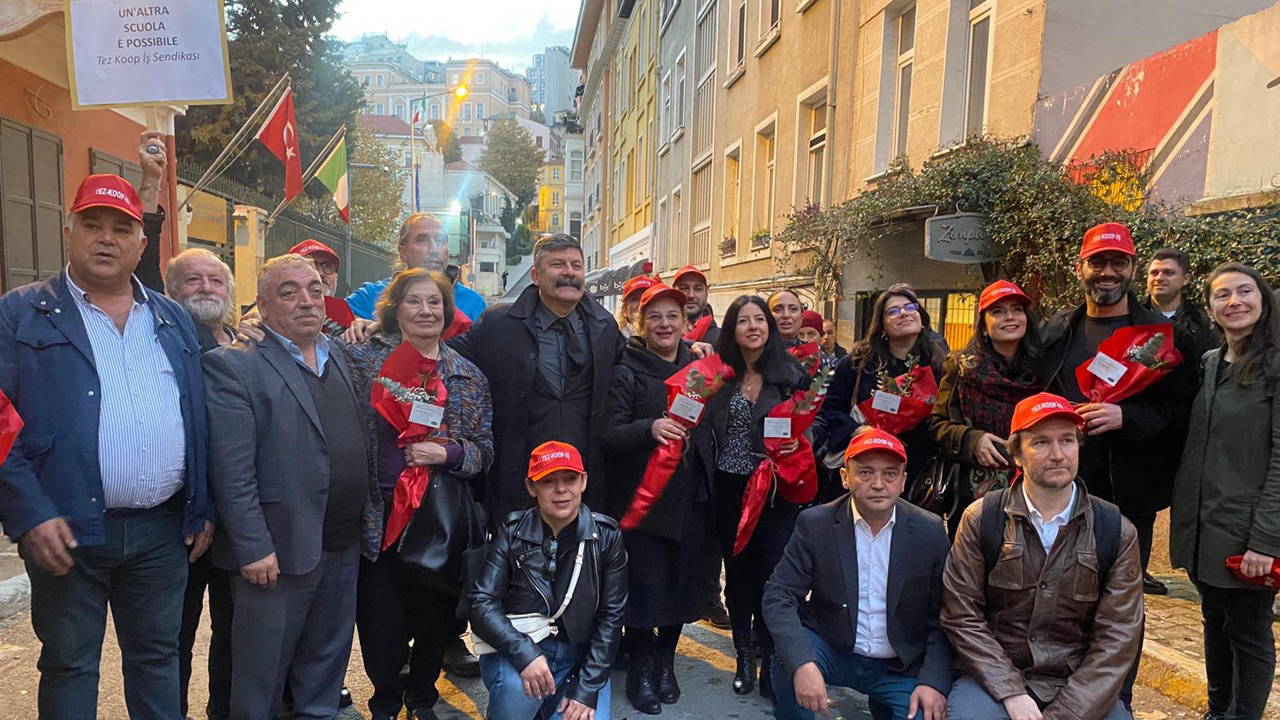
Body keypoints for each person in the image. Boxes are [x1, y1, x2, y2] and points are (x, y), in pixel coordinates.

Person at [0, 173, 213, 718]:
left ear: (141, 245)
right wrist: (29, 513)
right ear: (69, 233)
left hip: (161, 531)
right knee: (69, 664)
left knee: (158, 659)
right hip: (65, 528)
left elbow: (199, 415)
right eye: (92, 225)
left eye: (121, 229)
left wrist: (203, 503)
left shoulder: (172, 317)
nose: (105, 238)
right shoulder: (19, 313)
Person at [204, 255, 371, 720]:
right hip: (276, 554)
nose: (306, 301)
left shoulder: (340, 354)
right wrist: (253, 546)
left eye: (315, 290)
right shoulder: (234, 365)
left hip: (341, 546)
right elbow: (231, 470)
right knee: (260, 683)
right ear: (260, 305)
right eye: (289, 292)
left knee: (324, 675)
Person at [340, 268, 495, 720]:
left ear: (447, 312)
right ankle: (386, 699)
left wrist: (445, 453)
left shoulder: (467, 375)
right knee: (377, 620)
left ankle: (422, 699)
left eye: (434, 302)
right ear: (394, 309)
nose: (425, 310)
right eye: (414, 301)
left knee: (434, 617)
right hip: (377, 513)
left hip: (438, 519)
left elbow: (484, 452)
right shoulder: (362, 360)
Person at [942, 393, 1143, 720]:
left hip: (1079, 682)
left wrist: (1066, 713)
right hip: (994, 676)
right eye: (1040, 443)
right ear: (1017, 454)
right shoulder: (983, 519)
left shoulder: (1115, 530)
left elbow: (1118, 637)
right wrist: (1011, 691)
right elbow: (961, 615)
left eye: (1067, 441)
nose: (1057, 455)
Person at [1040, 222, 1197, 599]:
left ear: (1132, 267)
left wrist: (1126, 417)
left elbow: (1183, 410)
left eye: (1118, 262)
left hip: (1131, 495)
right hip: (1061, 490)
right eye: (1097, 262)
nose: (1107, 272)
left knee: (1121, 603)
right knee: (1058, 596)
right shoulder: (1057, 329)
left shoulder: (1164, 337)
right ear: (1080, 268)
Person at [764, 427, 951, 720]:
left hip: (899, 664)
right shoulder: (816, 524)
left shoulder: (929, 532)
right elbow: (780, 595)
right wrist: (803, 662)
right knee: (789, 662)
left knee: (928, 711)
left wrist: (933, 681)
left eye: (890, 474)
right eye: (865, 473)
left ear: (903, 480)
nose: (878, 484)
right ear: (845, 477)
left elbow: (944, 615)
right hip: (833, 647)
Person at [450, 233, 626, 524]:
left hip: (582, 479)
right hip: (519, 477)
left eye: (576, 265)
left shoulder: (604, 325)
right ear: (536, 275)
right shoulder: (499, 324)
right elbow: (445, 355)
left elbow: (634, 365)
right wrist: (390, 330)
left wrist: (689, 349)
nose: (569, 272)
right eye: (558, 264)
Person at [602, 284, 720, 714]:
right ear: (639, 321)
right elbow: (609, 434)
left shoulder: (701, 367)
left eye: (673, 316)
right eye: (655, 316)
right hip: (644, 502)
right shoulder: (626, 369)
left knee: (682, 586)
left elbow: (714, 423)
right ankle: (640, 668)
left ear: (686, 322)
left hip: (692, 498)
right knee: (646, 590)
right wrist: (649, 428)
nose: (665, 324)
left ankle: (666, 662)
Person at [1170, 263, 1280, 720]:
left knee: (1249, 634)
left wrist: (1266, 541)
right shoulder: (1212, 363)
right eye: (1222, 295)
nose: (1233, 301)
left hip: (1247, 532)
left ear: (1263, 299)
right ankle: (1217, 711)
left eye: (1244, 291)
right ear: (1211, 308)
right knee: (1214, 622)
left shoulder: (1276, 367)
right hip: (1203, 528)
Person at [694, 295, 808, 699]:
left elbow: (814, 423)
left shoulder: (792, 373)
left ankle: (771, 654)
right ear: (732, 329)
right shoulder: (716, 373)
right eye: (744, 321)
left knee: (774, 572)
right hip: (729, 486)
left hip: (776, 489)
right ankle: (744, 652)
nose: (754, 327)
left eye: (760, 319)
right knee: (739, 572)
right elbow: (686, 412)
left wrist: (801, 443)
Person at [470, 441, 628, 720]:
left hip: (578, 658)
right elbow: (481, 602)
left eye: (570, 479)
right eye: (548, 481)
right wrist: (524, 654)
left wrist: (587, 687)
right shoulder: (512, 531)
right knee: (516, 690)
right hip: (519, 648)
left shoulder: (607, 536)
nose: (561, 489)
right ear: (532, 487)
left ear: (584, 482)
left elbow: (611, 618)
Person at [164, 247, 237, 720]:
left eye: (216, 280)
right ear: (171, 292)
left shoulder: (244, 338)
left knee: (234, 633)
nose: (206, 288)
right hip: (183, 518)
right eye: (193, 280)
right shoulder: (164, 337)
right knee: (175, 636)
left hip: (237, 518)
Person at [926, 280, 1043, 538]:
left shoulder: (1045, 369)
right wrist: (971, 440)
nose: (1009, 317)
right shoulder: (961, 367)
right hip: (973, 494)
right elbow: (936, 424)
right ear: (984, 326)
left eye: (1016, 309)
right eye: (998, 311)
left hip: (1035, 489)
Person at [816, 284, 947, 488]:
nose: (903, 313)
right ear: (882, 325)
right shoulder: (857, 363)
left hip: (918, 472)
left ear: (921, 317)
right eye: (893, 311)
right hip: (865, 466)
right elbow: (830, 410)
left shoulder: (939, 364)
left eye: (910, 308)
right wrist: (859, 431)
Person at [346, 212, 487, 322]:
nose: (434, 249)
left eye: (440, 240)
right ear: (403, 252)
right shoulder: (370, 296)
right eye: (422, 240)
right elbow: (327, 327)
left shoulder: (474, 304)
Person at [1143, 247, 1219, 362]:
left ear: (1186, 279)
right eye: (1154, 273)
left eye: (1168, 273)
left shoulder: (1202, 322)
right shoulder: (1131, 316)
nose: (1159, 278)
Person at [673, 265, 720, 344]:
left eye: (698, 289)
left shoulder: (723, 340)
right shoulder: (660, 336)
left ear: (706, 293)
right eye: (684, 288)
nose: (691, 295)